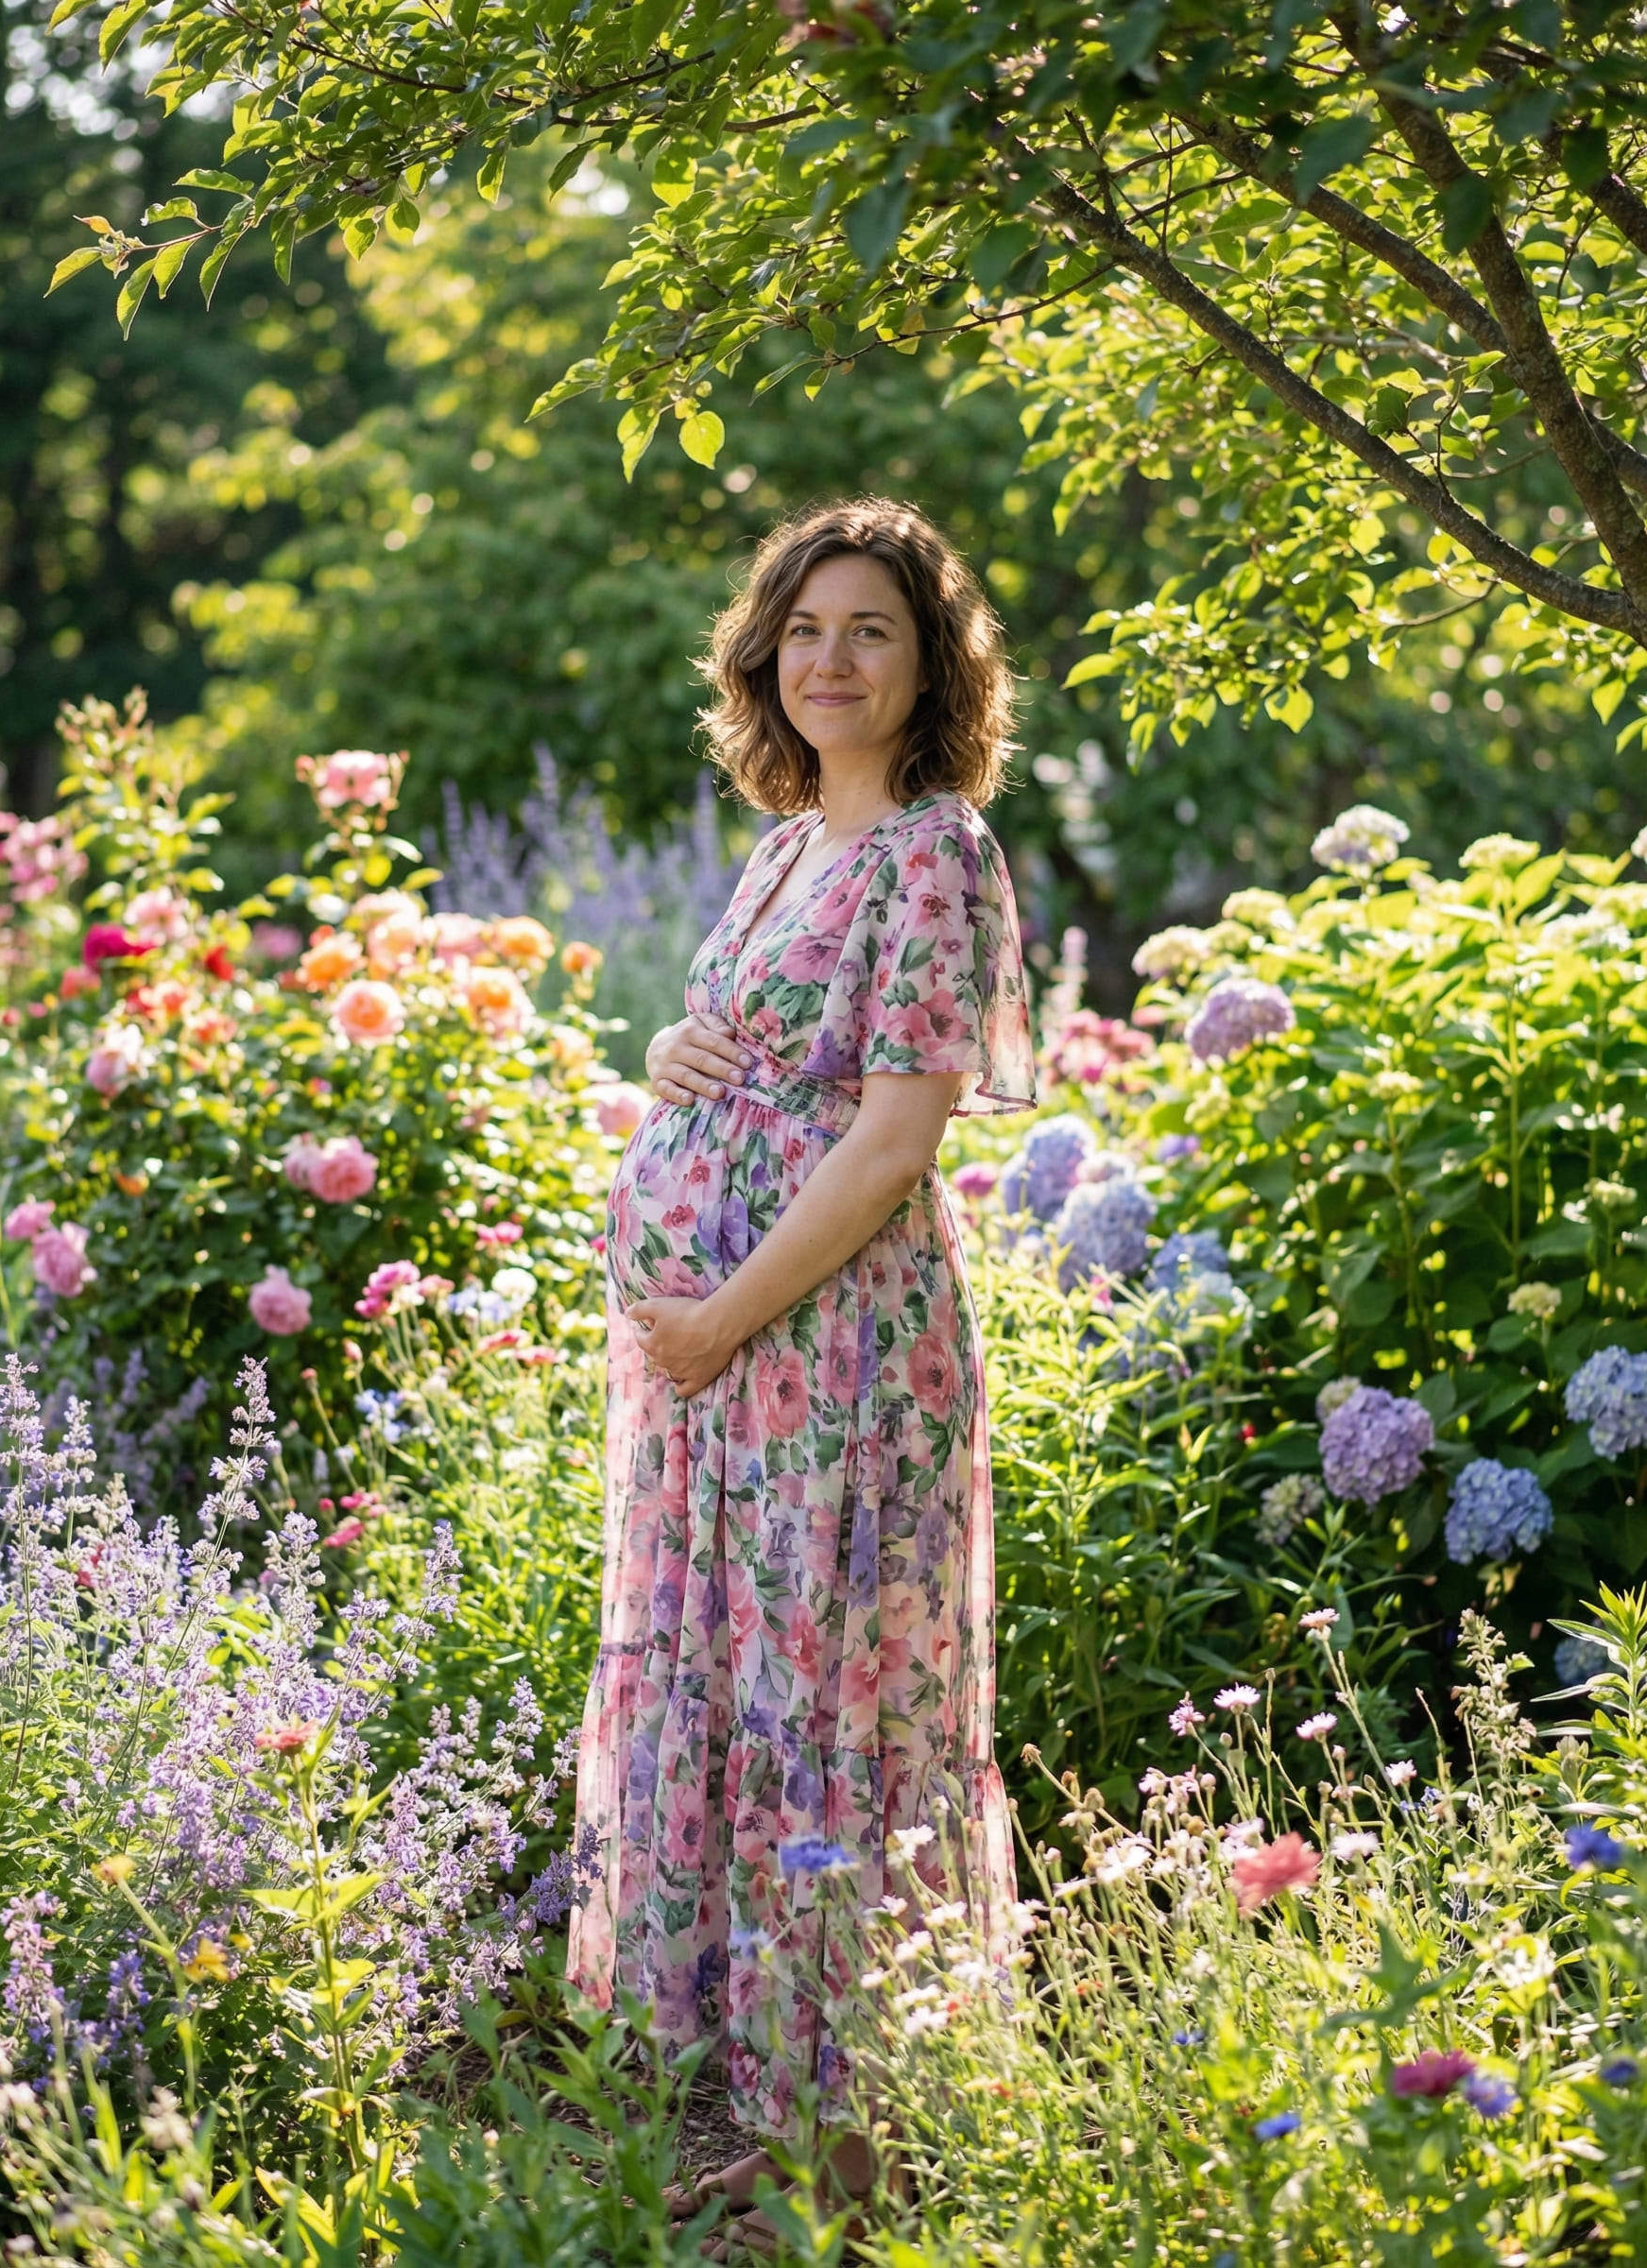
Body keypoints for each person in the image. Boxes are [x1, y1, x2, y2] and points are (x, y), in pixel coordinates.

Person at [566, 496, 1036, 2251]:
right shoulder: (781, 847)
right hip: (717, 1375)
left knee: (834, 1716)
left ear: (932, 667)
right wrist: (676, 1048)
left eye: (873, 632)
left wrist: (720, 1317)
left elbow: (890, 1144)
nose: (830, 660)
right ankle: (769, 2123)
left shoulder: (936, 853)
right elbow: (757, 1065)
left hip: (829, 1357)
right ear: (766, 652)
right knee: (740, 1701)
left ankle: (852, 2156)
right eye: (805, 629)